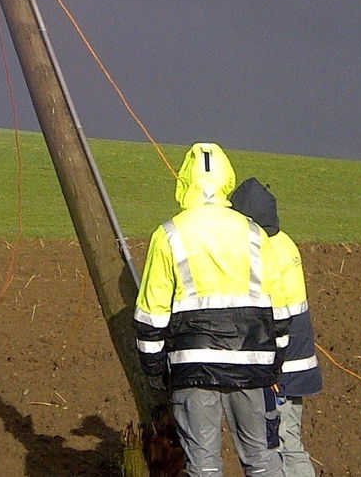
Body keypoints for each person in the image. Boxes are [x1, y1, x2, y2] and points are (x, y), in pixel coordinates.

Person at [135, 143, 288, 477]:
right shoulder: (254, 232)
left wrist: (154, 370)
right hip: (251, 363)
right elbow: (279, 308)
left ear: (186, 179)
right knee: (261, 460)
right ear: (227, 180)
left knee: (202, 465)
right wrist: (275, 363)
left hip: (193, 366)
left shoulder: (169, 234)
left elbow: (151, 312)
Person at [230, 177, 322, 477]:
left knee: (282, 445)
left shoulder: (263, 251)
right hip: (296, 363)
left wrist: (272, 371)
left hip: (280, 368)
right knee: (289, 441)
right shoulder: (284, 242)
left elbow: (273, 318)